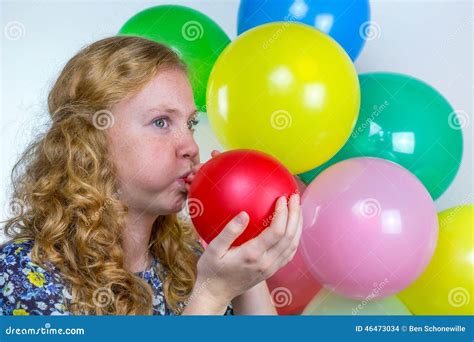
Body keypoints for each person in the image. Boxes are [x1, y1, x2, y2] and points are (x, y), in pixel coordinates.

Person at [0, 36, 302, 316]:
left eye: (190, 124)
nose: (191, 146)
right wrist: (211, 295)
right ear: (89, 142)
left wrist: (245, 263)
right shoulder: (23, 273)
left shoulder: (193, 261)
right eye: (161, 122)